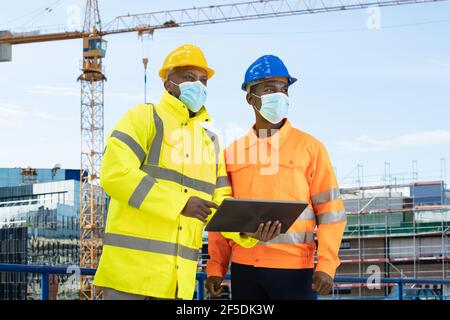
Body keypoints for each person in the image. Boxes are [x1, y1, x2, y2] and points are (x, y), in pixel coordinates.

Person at [93, 45, 280, 300]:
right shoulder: (144, 118)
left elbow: (221, 206)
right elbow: (115, 174)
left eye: (203, 80)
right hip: (129, 280)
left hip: (178, 286)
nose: (199, 85)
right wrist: (180, 203)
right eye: (189, 78)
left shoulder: (209, 142)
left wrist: (248, 231)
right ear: (168, 83)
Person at [206, 55, 347, 300]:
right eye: (270, 88)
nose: (279, 95)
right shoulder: (232, 153)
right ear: (251, 98)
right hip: (244, 270)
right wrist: (216, 267)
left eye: (284, 89)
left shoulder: (310, 148)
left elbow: (331, 211)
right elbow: (223, 215)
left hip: (294, 270)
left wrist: (326, 265)